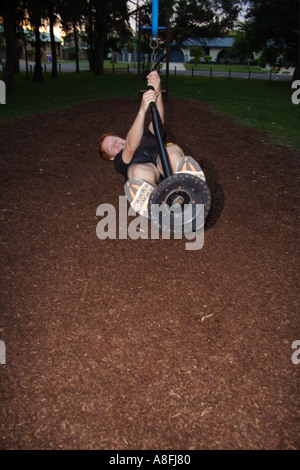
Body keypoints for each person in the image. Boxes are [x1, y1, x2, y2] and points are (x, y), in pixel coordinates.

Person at [97, 71, 206, 218]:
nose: (116, 145)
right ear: (111, 157)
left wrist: (158, 92)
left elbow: (158, 121)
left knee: (171, 152)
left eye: (115, 140)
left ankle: (191, 187)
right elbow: (130, 145)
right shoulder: (119, 162)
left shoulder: (146, 138)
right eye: (112, 148)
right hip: (144, 170)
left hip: (161, 159)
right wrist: (142, 110)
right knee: (138, 172)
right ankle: (155, 203)